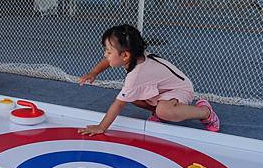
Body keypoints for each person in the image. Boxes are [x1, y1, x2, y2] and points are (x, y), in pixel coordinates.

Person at [77, 24, 219, 136]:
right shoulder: (134, 55)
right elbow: (109, 61)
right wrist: (94, 72)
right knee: (132, 96)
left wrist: (101, 127)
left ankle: (205, 112)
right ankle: (159, 112)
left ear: (125, 55)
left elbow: (118, 104)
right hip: (161, 90)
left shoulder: (136, 74)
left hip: (180, 89)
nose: (105, 54)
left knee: (162, 110)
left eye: (108, 51)